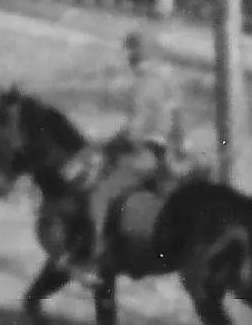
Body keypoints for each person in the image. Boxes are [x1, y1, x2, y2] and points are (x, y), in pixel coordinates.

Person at [79, 30, 196, 264]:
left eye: (130, 52)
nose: (128, 58)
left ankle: (95, 253)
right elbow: (180, 122)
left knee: (100, 194)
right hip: (170, 156)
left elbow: (135, 131)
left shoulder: (145, 84)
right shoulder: (169, 81)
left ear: (136, 55)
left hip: (144, 154)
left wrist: (107, 146)